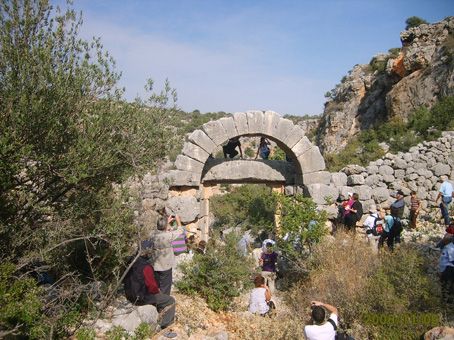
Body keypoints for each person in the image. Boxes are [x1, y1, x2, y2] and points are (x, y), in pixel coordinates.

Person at [124, 240, 176, 329]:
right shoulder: (146, 266)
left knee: (160, 298)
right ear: (148, 251)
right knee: (170, 300)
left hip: (129, 295)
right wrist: (158, 292)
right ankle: (166, 326)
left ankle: (159, 314)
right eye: (152, 250)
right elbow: (152, 287)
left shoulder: (131, 261)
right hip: (141, 297)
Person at [149, 215, 183, 295]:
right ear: (165, 227)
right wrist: (178, 221)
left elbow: (157, 230)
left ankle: (156, 301)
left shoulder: (152, 236)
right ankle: (163, 303)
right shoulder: (168, 236)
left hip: (155, 266)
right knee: (165, 288)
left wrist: (165, 223)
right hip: (166, 267)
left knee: (157, 286)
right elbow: (180, 231)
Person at [438, 227, 454, 303]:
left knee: (448, 288)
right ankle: (446, 304)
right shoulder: (449, 247)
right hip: (448, 270)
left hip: (448, 269)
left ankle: (447, 303)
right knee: (447, 289)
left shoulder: (449, 247)